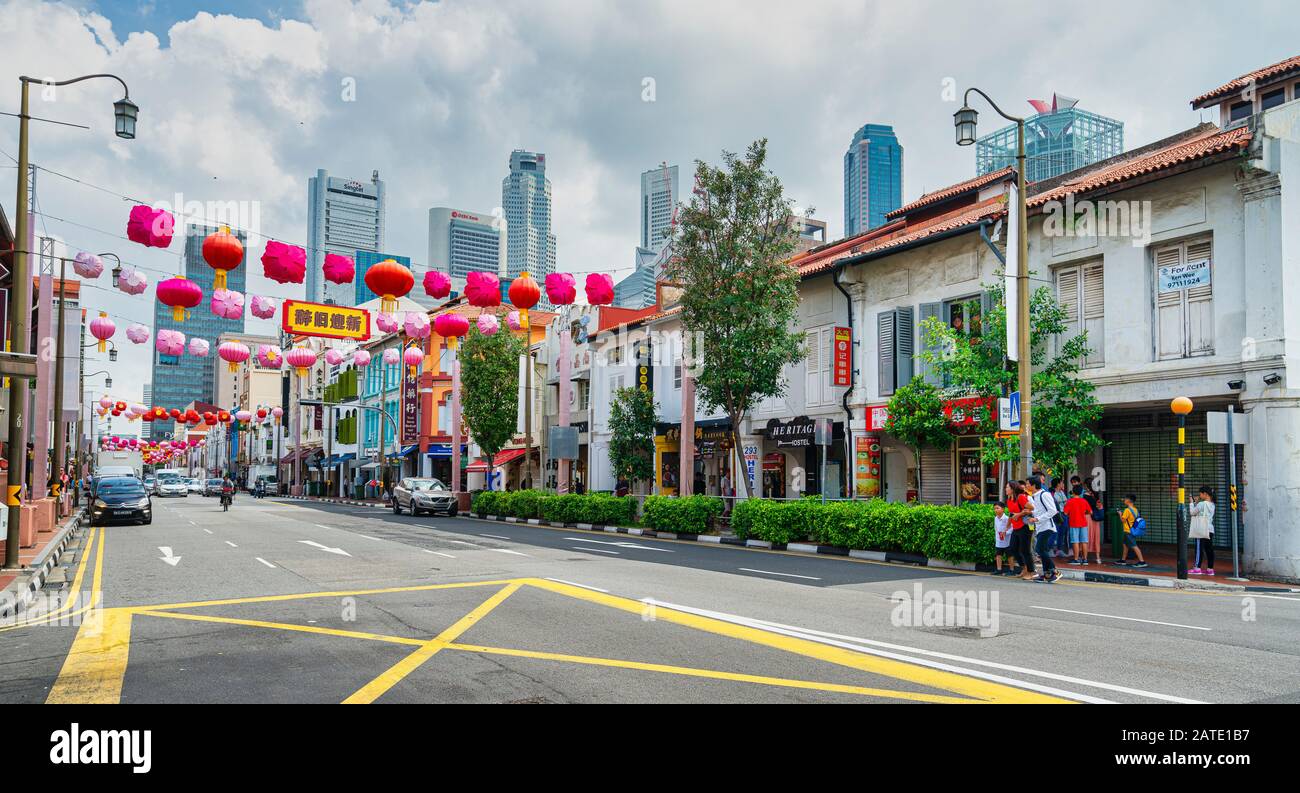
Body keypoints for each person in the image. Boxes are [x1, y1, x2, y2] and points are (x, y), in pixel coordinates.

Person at [1024, 477, 1061, 583]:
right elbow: (1039, 511)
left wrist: (1037, 518)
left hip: (1047, 527)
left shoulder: (1045, 495)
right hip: (1040, 527)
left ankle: (1054, 571)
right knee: (1042, 550)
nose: (1026, 486)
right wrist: (1031, 514)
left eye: (1027, 484)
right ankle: (1046, 574)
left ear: (1034, 485)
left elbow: (1052, 511)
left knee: (1039, 549)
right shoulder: (1034, 497)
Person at [1005, 481, 1033, 580]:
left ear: (1012, 489)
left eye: (1007, 487)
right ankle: (1024, 568)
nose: (1006, 489)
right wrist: (1007, 526)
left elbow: (1032, 508)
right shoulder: (1009, 499)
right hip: (1015, 527)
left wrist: (1019, 514)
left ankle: (1031, 572)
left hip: (1025, 526)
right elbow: (1011, 514)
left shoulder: (1021, 497)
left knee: (1025, 550)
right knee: (1013, 548)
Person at [1189, 486, 1217, 575]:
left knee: (1199, 549)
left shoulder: (1202, 504)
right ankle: (1210, 569)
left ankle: (1197, 568)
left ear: (1205, 494)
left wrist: (1191, 503)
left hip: (1201, 529)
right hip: (1210, 529)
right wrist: (1196, 502)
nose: (1199, 495)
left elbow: (1192, 512)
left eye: (1200, 494)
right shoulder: (1212, 504)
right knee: (1209, 549)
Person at [1062, 485, 1092, 564]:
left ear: (1073, 492)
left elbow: (1065, 513)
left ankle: (1076, 559)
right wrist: (1085, 513)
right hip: (1083, 523)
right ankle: (1085, 559)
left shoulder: (1070, 501)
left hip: (1074, 523)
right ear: (1081, 492)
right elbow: (1090, 512)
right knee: (1084, 541)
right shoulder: (1084, 501)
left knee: (1075, 541)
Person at [1117, 494, 1148, 568]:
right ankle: (1123, 560)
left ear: (1128, 501)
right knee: (1125, 545)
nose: (1124, 500)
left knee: (1134, 546)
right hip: (1131, 530)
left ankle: (1142, 561)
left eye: (1125, 499)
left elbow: (1123, 520)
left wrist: (1120, 514)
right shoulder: (1135, 510)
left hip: (1128, 531)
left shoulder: (1127, 510)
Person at [1082, 483, 1104, 565]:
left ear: (1087, 486)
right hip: (1096, 518)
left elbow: (1084, 507)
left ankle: (1085, 557)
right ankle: (1098, 558)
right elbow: (1099, 505)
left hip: (1088, 517)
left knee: (1086, 536)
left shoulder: (1085, 495)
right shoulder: (1096, 494)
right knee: (1096, 537)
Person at [992, 501, 1015, 575]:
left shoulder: (1007, 518)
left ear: (1003, 509)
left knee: (1009, 555)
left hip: (1007, 540)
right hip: (999, 540)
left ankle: (1012, 570)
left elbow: (1011, 528)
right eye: (994, 508)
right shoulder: (995, 518)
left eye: (998, 508)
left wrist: (1006, 533)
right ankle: (999, 569)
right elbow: (996, 528)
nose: (996, 510)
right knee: (998, 555)